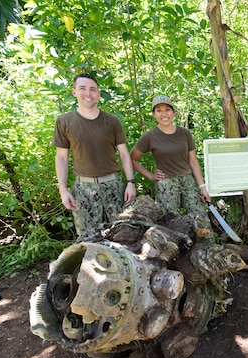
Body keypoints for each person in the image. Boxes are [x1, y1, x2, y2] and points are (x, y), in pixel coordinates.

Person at [52, 73, 137, 240]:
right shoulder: (64, 121)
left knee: (124, 235)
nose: (88, 94)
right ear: (74, 92)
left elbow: (124, 154)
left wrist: (130, 183)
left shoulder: (112, 121)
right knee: (88, 239)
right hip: (84, 189)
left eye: (92, 89)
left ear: (98, 94)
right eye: (82, 89)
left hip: (114, 186)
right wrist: (63, 190)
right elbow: (61, 157)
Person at [130, 95, 213, 237]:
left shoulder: (184, 133)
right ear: (154, 114)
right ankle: (173, 254)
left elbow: (193, 162)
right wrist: (151, 175)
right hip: (166, 184)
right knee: (169, 223)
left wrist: (202, 187)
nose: (164, 114)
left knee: (200, 217)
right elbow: (132, 159)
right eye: (159, 110)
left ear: (173, 112)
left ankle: (207, 249)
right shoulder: (150, 136)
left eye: (167, 110)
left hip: (187, 180)